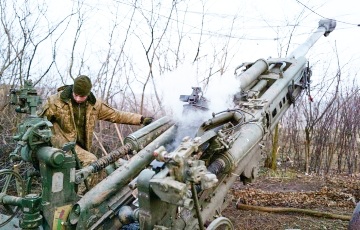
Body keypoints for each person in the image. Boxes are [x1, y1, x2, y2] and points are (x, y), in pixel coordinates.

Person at [39, 75, 153, 188]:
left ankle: (81, 194)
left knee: (81, 169)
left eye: (82, 96)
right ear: (72, 90)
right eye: (76, 95)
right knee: (91, 161)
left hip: (80, 145)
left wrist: (141, 119)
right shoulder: (55, 102)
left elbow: (116, 115)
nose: (78, 99)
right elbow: (38, 121)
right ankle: (89, 198)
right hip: (60, 142)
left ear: (88, 94)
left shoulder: (95, 105)